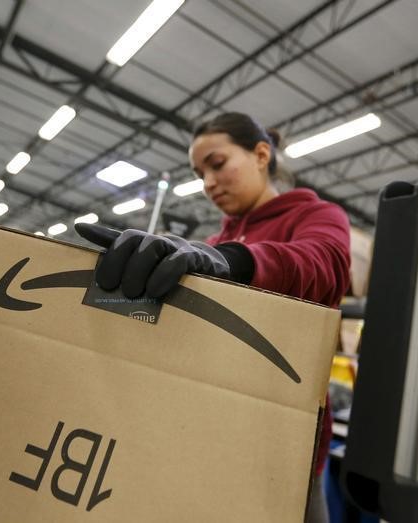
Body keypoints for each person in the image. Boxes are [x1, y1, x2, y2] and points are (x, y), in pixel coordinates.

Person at [76, 112, 351, 522]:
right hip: (209, 431)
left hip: (282, 444)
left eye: (217, 164)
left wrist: (236, 260)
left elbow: (322, 265)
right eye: (200, 172)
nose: (207, 183)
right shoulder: (214, 242)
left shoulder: (314, 216)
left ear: (261, 154)